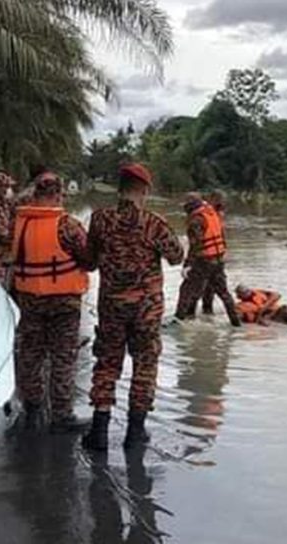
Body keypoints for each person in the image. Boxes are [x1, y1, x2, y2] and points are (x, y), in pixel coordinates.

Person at [82, 163, 184, 451]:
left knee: (107, 363)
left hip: (111, 305)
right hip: (146, 309)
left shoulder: (99, 220)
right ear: (144, 190)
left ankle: (99, 430)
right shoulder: (155, 223)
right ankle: (135, 432)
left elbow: (89, 260)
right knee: (145, 364)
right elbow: (177, 257)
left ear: (120, 187)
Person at [11, 171, 95, 433]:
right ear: (59, 194)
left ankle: (32, 410)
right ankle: (61, 415)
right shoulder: (68, 225)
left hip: (30, 301)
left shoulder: (20, 223)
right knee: (62, 357)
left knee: (30, 355)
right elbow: (90, 260)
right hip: (63, 305)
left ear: (35, 193)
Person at [175, 192, 241, 327]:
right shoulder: (213, 215)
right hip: (218, 260)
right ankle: (235, 322)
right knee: (224, 293)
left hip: (203, 261)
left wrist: (187, 265)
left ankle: (179, 320)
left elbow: (196, 245)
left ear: (190, 206)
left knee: (187, 290)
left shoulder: (196, 220)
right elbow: (222, 238)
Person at [200, 190, 227, 315]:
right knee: (212, 287)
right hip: (214, 256)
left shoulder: (214, 213)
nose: (221, 202)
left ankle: (207, 311)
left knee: (209, 286)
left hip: (213, 256)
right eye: (219, 199)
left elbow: (221, 234)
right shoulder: (210, 212)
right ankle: (208, 311)